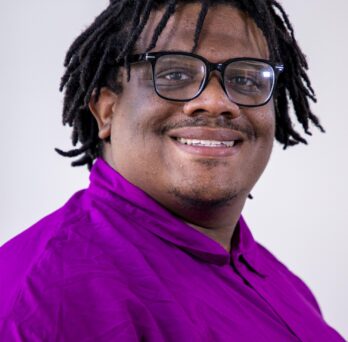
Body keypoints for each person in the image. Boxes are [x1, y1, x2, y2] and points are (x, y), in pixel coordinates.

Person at [0, 0, 345, 340]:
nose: (216, 102)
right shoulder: (47, 298)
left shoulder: (279, 281)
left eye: (246, 79)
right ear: (106, 110)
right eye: (175, 74)